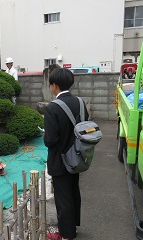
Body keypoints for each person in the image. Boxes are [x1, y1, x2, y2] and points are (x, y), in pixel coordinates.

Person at [43, 68, 89, 240]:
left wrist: (45, 136)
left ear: (54, 85)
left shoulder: (52, 108)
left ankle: (66, 234)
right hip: (77, 157)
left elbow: (51, 140)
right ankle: (73, 227)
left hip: (60, 160)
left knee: (63, 199)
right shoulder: (80, 102)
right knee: (73, 192)